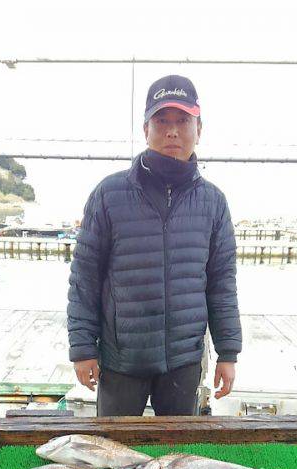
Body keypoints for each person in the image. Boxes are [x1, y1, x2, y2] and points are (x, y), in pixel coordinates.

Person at [67, 74, 242, 416]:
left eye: (182, 121)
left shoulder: (213, 202)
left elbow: (222, 285)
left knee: (177, 455)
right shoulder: (108, 194)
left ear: (199, 129)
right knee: (111, 451)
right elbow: (84, 278)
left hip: (183, 361)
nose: (172, 131)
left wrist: (228, 353)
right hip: (121, 359)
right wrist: (82, 348)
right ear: (146, 129)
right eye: (161, 121)